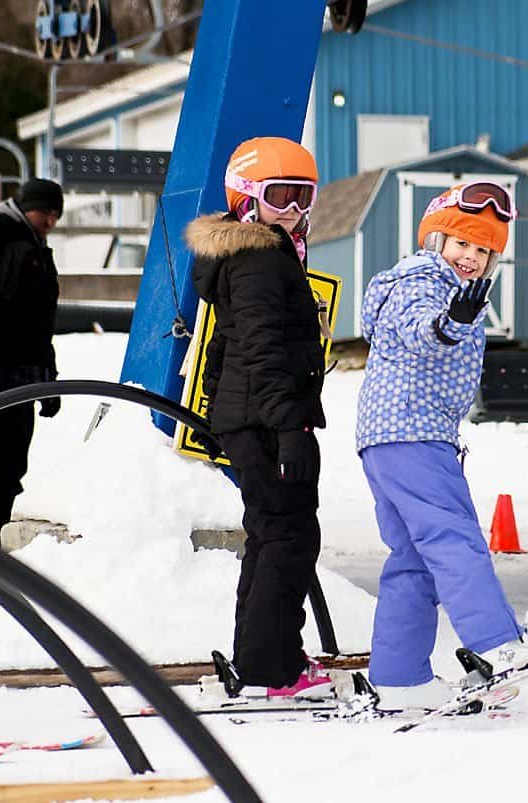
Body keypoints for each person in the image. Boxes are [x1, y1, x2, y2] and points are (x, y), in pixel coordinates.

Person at [356, 182, 528, 712]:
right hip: (414, 432)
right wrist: (451, 324)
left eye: (484, 250)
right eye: (461, 243)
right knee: (452, 538)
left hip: (388, 437)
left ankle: (400, 677)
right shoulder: (424, 280)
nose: (471, 257)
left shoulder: (438, 283)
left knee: (413, 557)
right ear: (435, 241)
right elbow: (422, 330)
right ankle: (499, 643)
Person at [187, 136, 332, 699]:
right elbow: (265, 348)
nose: (294, 211)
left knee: (270, 536)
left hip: (252, 419)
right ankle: (275, 669)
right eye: (281, 197)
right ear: (246, 198)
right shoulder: (260, 257)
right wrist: (288, 429)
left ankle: (260, 661)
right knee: (289, 539)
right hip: (273, 421)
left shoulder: (254, 254)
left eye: (304, 197)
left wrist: (225, 421)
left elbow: (228, 345)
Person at [0, 178, 64, 548]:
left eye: (56, 214)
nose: (51, 220)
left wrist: (47, 377)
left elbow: (38, 325)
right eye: (45, 212)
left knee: (8, 466)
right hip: (4, 374)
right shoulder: (4, 237)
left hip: (21, 375)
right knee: (1, 465)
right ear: (25, 205)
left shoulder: (31, 247)